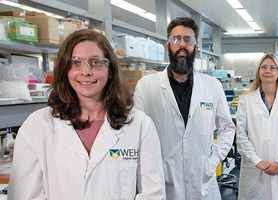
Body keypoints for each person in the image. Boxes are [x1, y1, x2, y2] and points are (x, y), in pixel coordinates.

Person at [8, 29, 165, 200]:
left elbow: (153, 194)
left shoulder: (140, 125)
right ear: (65, 69)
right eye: (75, 62)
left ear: (110, 70)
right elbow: (25, 196)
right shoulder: (37, 126)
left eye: (95, 62)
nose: (86, 71)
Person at [134, 17, 235, 200]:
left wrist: (212, 161)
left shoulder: (212, 86)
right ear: (168, 45)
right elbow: (136, 135)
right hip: (163, 182)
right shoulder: (146, 86)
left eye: (188, 40)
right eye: (176, 39)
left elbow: (227, 128)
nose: (182, 45)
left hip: (203, 183)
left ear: (195, 47)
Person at [236, 53, 278, 199]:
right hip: (254, 169)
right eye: (264, 67)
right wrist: (257, 161)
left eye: (273, 68)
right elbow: (241, 135)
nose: (268, 71)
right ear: (258, 72)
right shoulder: (246, 99)